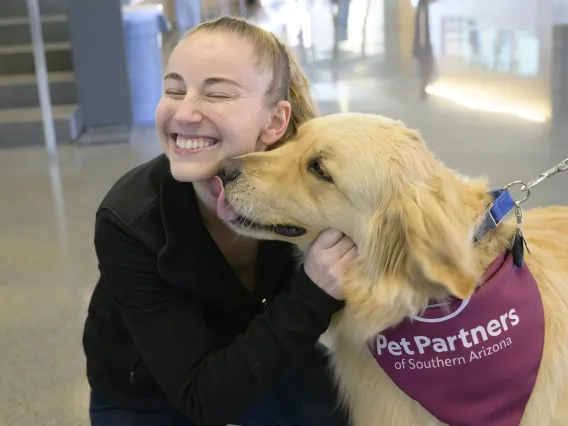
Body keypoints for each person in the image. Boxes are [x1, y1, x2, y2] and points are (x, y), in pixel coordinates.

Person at [83, 16, 358, 426]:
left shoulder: (308, 188)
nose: (185, 112)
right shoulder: (128, 220)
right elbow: (201, 398)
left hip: (260, 346)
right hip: (146, 394)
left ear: (275, 122)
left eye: (217, 94)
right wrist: (313, 292)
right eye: (173, 89)